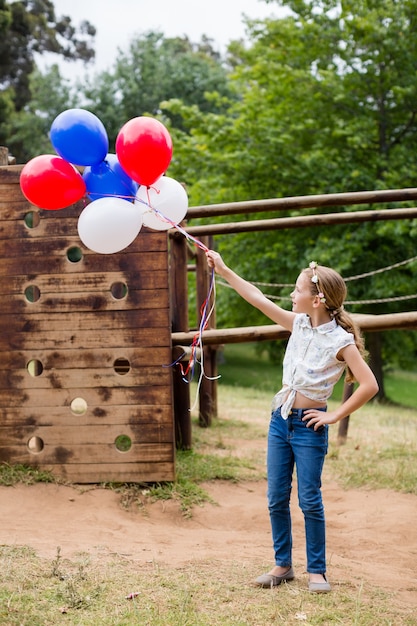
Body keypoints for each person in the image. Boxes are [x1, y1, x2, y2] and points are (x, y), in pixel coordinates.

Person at [205, 251, 378, 593]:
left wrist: (333, 415)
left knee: (309, 499)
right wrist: (224, 269)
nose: (291, 296)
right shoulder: (297, 323)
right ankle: (282, 566)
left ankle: (317, 572)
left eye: (297, 291)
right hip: (280, 421)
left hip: (309, 427)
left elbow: (369, 384)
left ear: (316, 299)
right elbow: (256, 297)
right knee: (275, 496)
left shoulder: (341, 342)